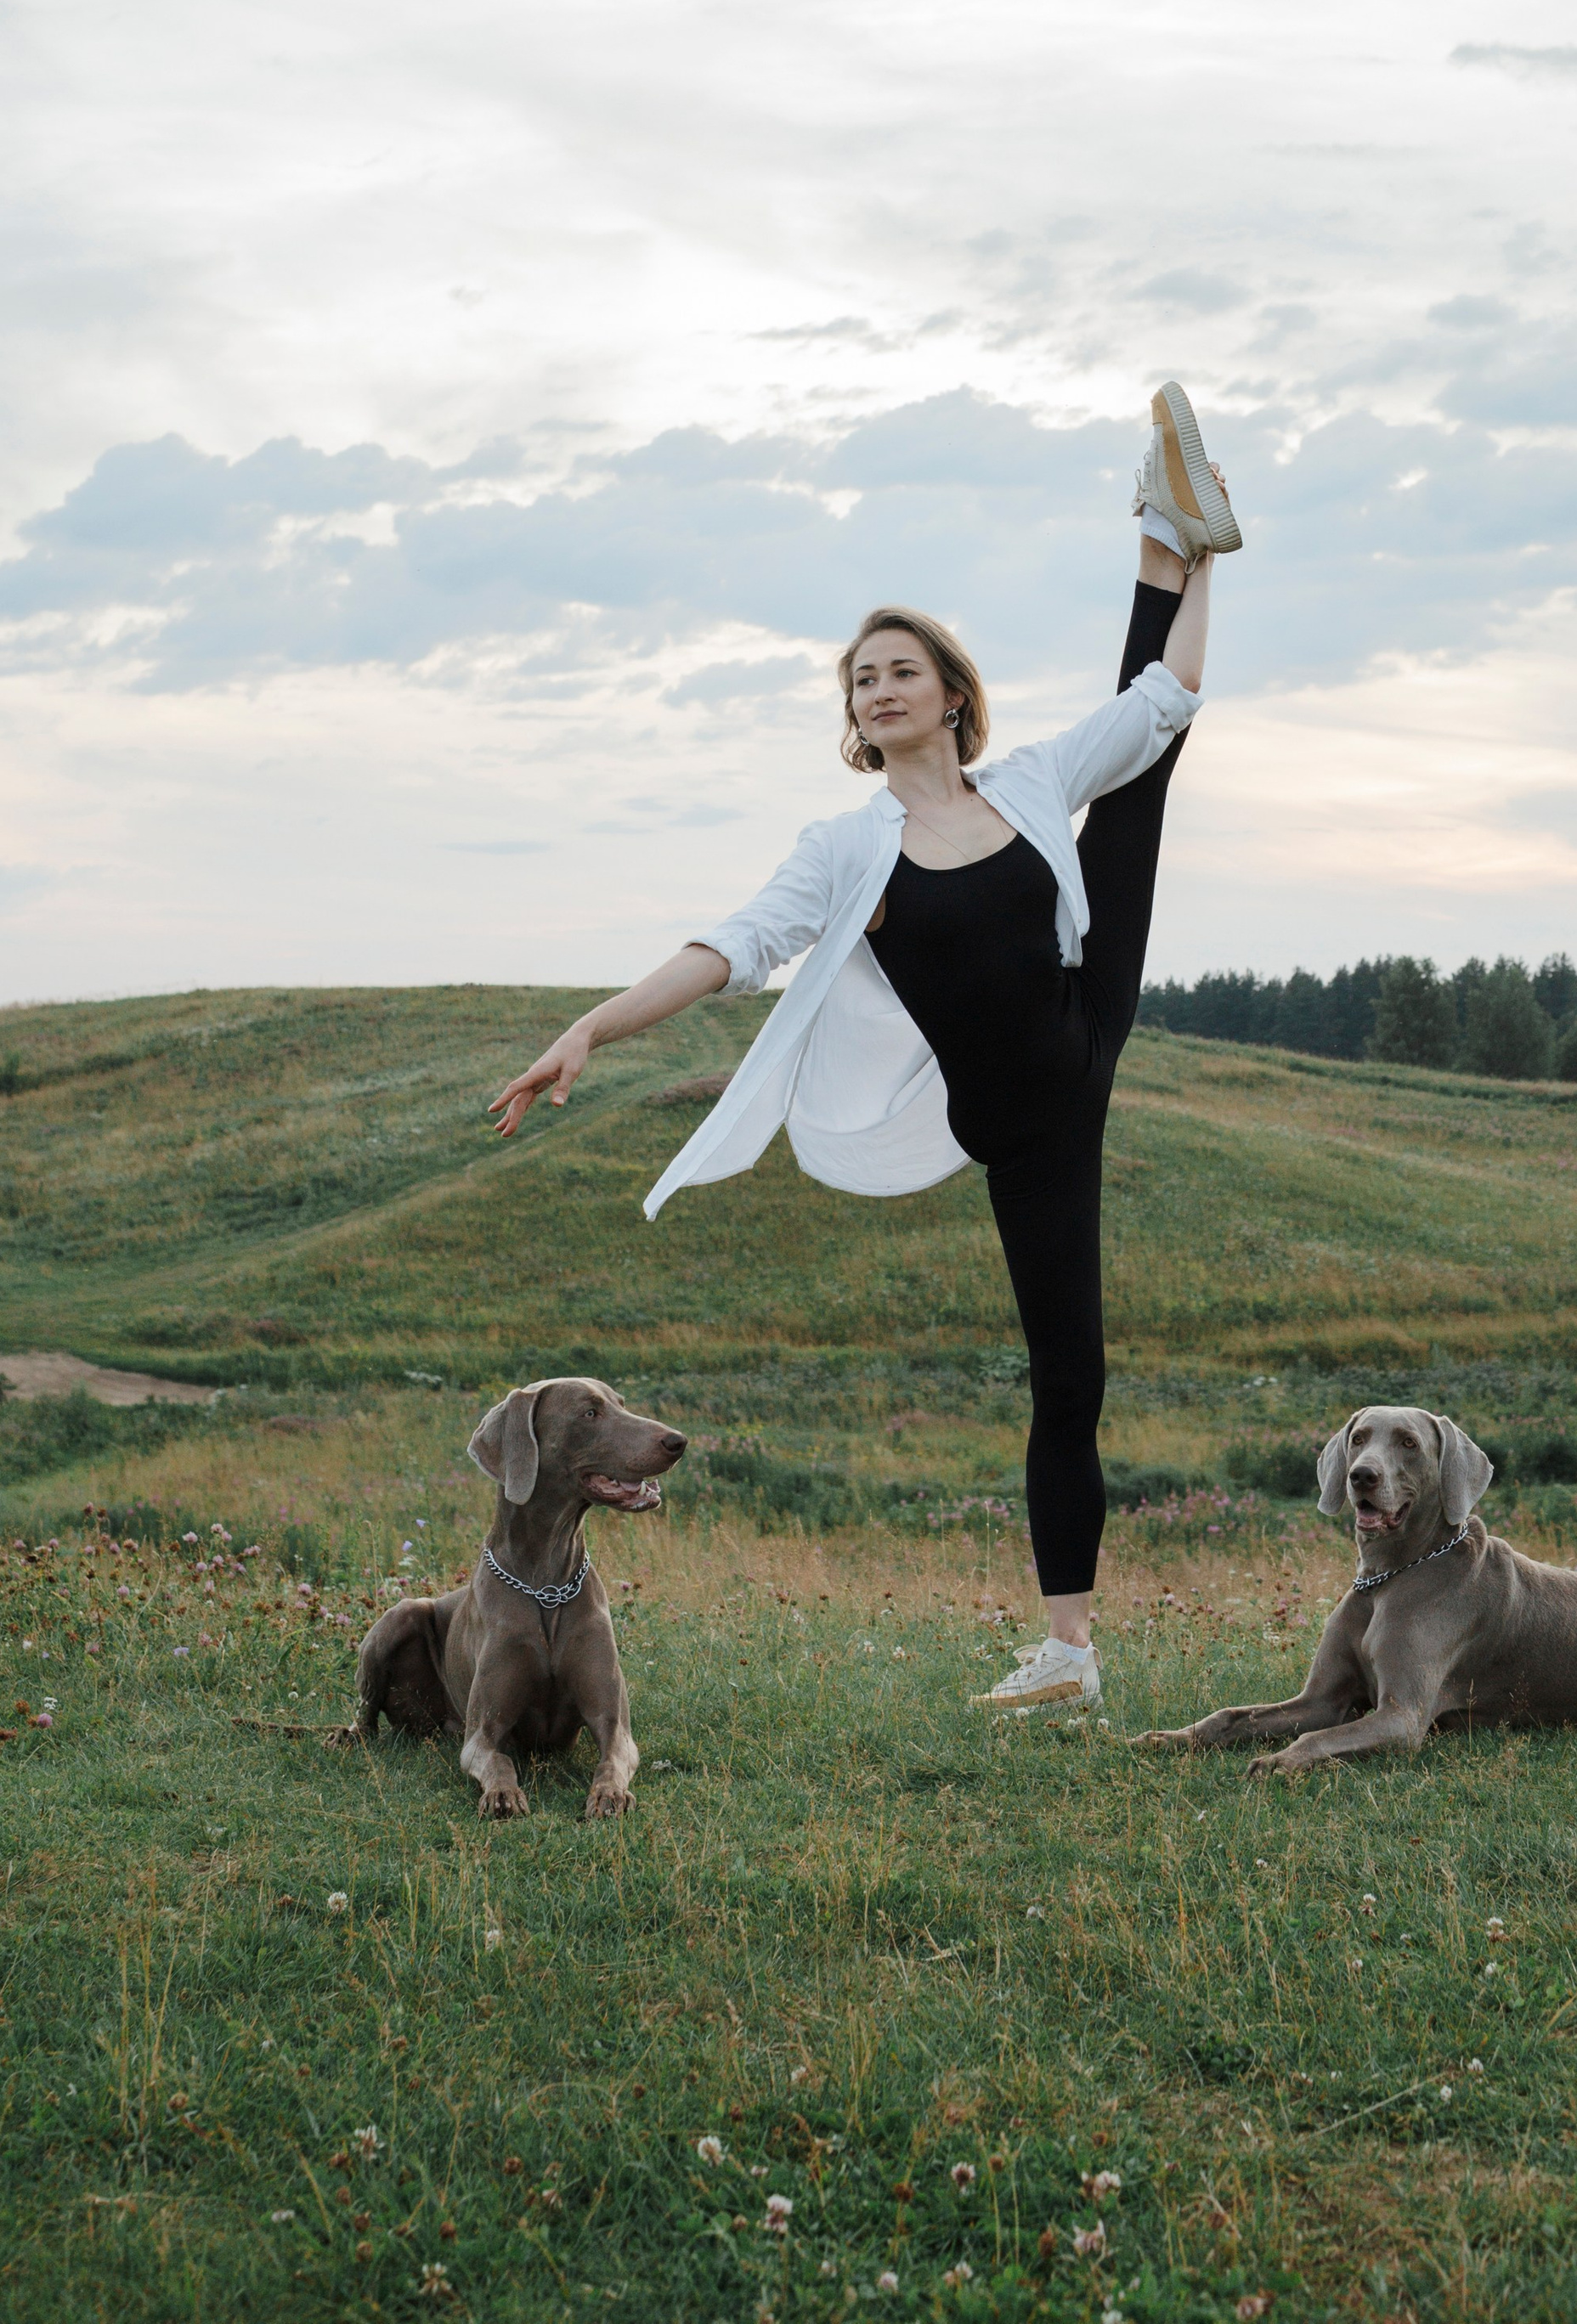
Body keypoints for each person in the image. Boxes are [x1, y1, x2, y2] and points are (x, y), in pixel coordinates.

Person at [488, 384, 1242, 1716]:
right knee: (1070, 1375)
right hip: (1024, 1123)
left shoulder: (1022, 781)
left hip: (1090, 1012)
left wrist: (1209, 581)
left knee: (1140, 766)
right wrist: (593, 1025)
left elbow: (1171, 695)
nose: (878, 688)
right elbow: (731, 944)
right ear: (857, 719)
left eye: (901, 670)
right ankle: (1070, 1649)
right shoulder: (846, 853)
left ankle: (1175, 537)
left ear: (954, 696)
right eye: (861, 680)